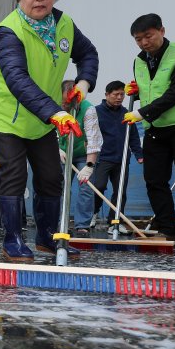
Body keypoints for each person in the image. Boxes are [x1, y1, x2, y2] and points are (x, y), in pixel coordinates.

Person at [0, 0, 98, 261]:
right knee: (14, 175)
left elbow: (87, 53)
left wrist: (83, 85)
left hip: (45, 119)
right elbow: (17, 78)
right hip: (8, 118)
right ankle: (12, 240)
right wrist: (56, 113)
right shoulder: (9, 31)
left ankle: (46, 237)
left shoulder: (64, 25)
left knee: (51, 176)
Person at [124, 13, 175, 243]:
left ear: (162, 30)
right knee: (154, 179)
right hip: (155, 127)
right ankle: (167, 229)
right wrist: (137, 93)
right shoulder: (139, 60)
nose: (144, 42)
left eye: (148, 36)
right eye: (138, 39)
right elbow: (154, 87)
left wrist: (142, 113)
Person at [90, 80, 143, 233]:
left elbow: (133, 136)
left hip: (122, 159)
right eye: (116, 94)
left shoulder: (127, 113)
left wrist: (139, 154)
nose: (119, 97)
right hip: (103, 158)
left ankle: (115, 221)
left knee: (120, 192)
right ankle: (93, 213)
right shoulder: (96, 112)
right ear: (107, 94)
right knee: (98, 187)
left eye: (122, 94)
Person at [57, 79, 102, 237]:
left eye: (66, 102)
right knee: (59, 187)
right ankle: (59, 222)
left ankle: (82, 225)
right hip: (62, 152)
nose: (63, 105)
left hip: (83, 153)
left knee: (86, 187)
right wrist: (56, 148)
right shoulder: (54, 105)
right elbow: (47, 130)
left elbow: (93, 139)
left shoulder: (88, 109)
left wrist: (89, 166)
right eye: (62, 101)